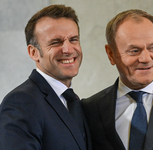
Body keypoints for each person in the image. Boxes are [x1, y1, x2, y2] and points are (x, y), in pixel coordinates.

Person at [81, 9, 153, 150]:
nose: (146, 59)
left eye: (152, 48)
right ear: (111, 54)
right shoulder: (90, 109)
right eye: (134, 51)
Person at [0, 5, 92, 150]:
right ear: (33, 52)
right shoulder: (21, 102)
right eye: (56, 42)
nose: (68, 49)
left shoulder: (73, 101)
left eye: (73, 39)